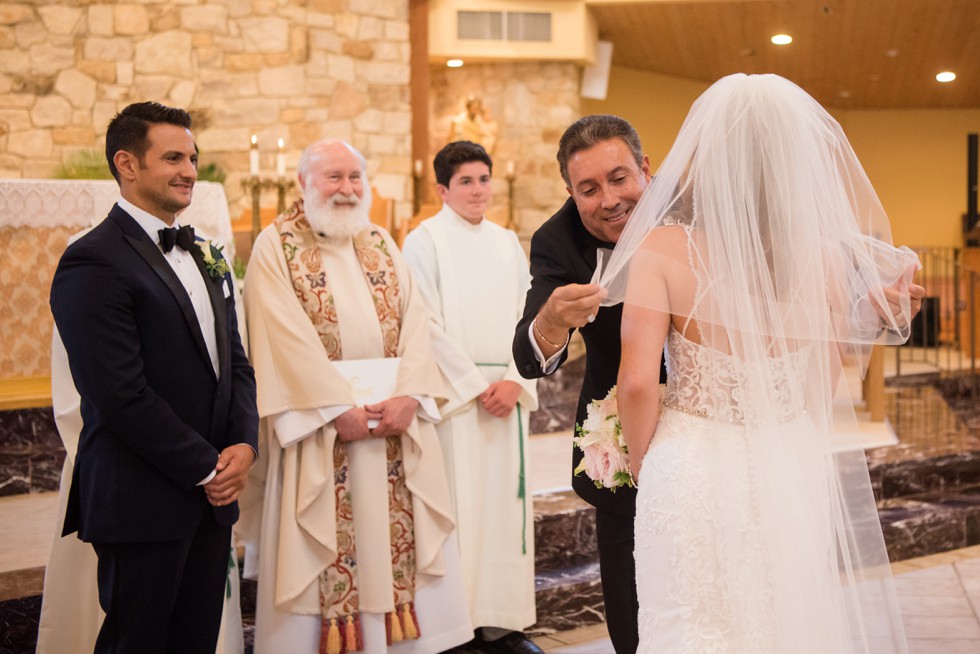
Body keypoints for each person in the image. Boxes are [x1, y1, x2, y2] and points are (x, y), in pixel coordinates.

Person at [602, 73, 919, 652]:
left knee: (690, 622)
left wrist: (649, 464)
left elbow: (638, 383)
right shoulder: (822, 255)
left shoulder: (663, 249)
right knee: (781, 622)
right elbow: (821, 381)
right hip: (788, 459)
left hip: (691, 463)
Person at [238, 139, 473, 653]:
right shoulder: (274, 246)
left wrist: (410, 394)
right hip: (321, 433)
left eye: (354, 177)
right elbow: (279, 335)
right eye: (332, 177)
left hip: (393, 426)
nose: (346, 189)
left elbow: (418, 322)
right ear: (304, 183)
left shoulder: (381, 241)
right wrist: (331, 407)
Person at [48, 101, 259, 654]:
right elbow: (118, 394)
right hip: (141, 496)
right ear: (127, 163)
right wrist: (205, 466)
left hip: (212, 496)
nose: (190, 170)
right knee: (136, 643)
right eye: (172, 157)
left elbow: (235, 362)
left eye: (192, 157)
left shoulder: (207, 253)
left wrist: (243, 442)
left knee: (194, 641)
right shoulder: (92, 260)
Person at [512, 114, 654, 653]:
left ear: (645, 167)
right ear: (570, 192)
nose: (609, 199)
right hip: (618, 440)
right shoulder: (557, 239)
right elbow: (528, 353)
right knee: (630, 595)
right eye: (589, 189)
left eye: (620, 178)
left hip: (705, 423)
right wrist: (550, 322)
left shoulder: (695, 209)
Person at [402, 141, 541, 653]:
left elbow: (531, 314)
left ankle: (504, 623)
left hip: (506, 391)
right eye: (466, 181)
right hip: (457, 401)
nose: (478, 189)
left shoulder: (507, 241)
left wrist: (516, 379)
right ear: (442, 189)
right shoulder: (424, 241)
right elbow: (423, 322)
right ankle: (456, 627)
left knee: (505, 512)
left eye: (484, 178)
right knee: (459, 512)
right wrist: (476, 386)